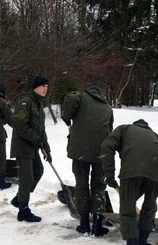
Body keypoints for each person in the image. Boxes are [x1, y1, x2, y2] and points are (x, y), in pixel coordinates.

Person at [100, 119, 158, 245]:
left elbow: (106, 146)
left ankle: (132, 242)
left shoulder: (124, 129)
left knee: (127, 208)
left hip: (132, 170)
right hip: (156, 171)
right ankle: (142, 241)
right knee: (149, 207)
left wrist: (109, 175)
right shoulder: (153, 135)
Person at [61, 85, 114, 236]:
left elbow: (70, 97)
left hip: (80, 152)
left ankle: (84, 224)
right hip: (100, 152)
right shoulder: (107, 108)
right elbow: (110, 131)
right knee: (99, 186)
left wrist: (66, 117)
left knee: (81, 185)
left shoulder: (81, 96)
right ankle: (97, 225)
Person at [9, 75, 52, 223]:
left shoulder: (39, 105)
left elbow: (41, 130)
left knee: (38, 171)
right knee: (26, 178)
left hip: (32, 147)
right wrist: (36, 140)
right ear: (35, 87)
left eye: (46, 86)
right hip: (23, 147)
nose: (45, 89)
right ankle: (23, 211)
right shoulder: (25, 103)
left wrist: (47, 149)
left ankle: (20, 198)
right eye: (42, 86)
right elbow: (18, 123)